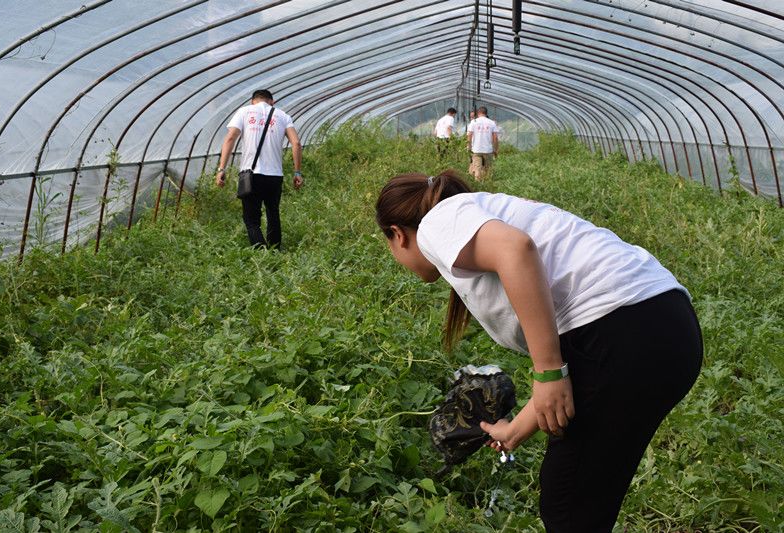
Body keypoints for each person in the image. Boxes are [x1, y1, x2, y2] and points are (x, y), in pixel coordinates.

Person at [375, 169, 702, 533]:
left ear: (397, 235)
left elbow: (516, 250)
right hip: (667, 328)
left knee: (568, 509)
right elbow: (580, 355)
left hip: (625, 332)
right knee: (582, 498)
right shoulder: (480, 212)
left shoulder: (438, 223)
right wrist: (514, 430)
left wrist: (547, 371)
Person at [215, 89, 303, 249]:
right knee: (273, 213)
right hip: (275, 176)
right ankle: (275, 249)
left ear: (252, 101)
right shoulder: (283, 116)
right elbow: (296, 143)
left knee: (251, 219)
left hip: (251, 175)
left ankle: (260, 251)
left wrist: (222, 169)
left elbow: (230, 138)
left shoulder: (244, 112)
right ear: (272, 101)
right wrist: (297, 172)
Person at [466, 106, 498, 181]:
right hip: (488, 150)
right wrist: (495, 150)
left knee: (477, 169)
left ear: (478, 113)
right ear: (486, 113)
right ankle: (488, 185)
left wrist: (469, 147)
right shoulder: (491, 123)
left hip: (476, 150)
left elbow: (469, 135)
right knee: (488, 170)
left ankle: (478, 185)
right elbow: (495, 138)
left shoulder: (473, 122)